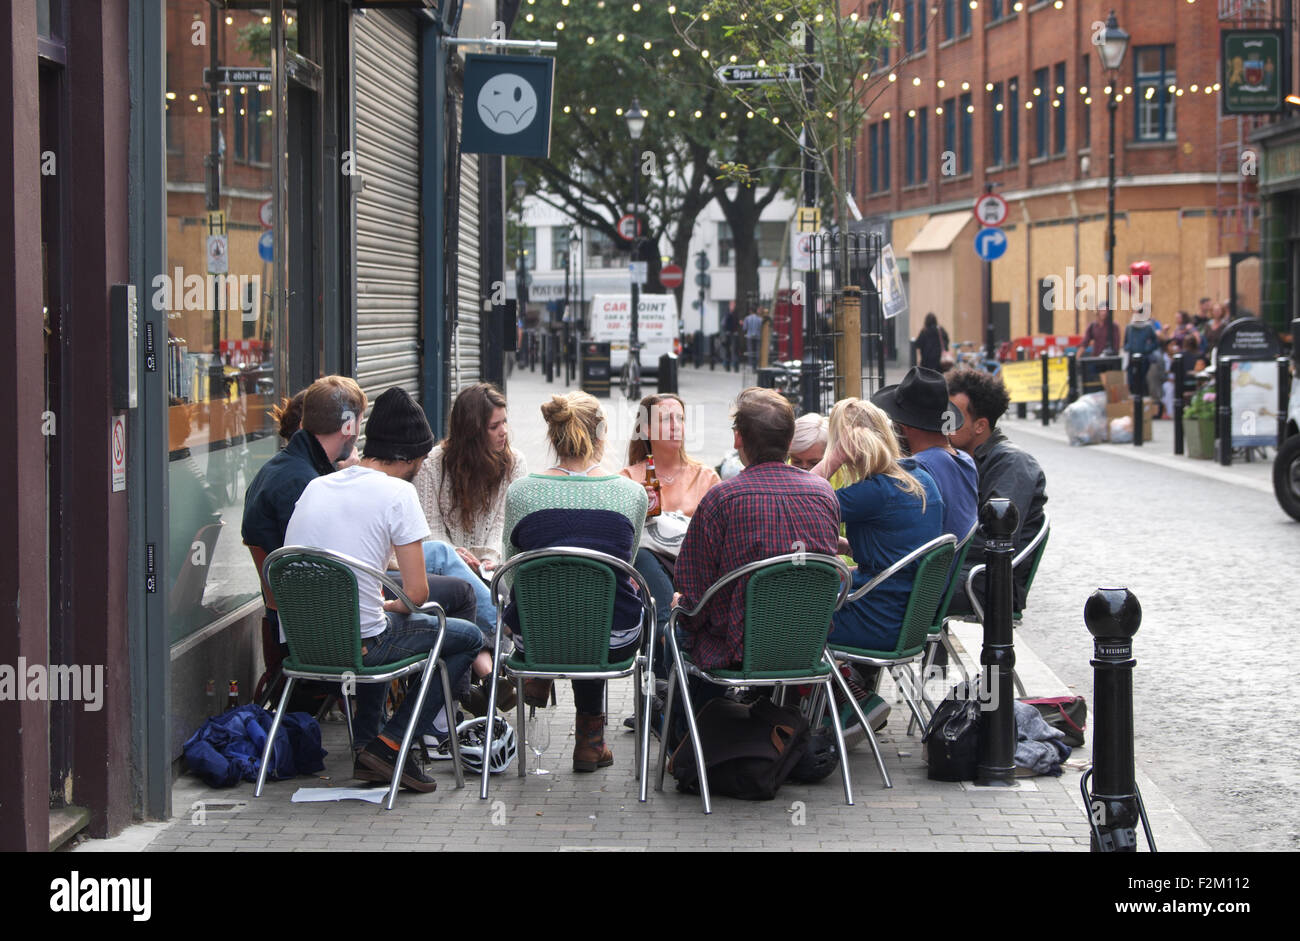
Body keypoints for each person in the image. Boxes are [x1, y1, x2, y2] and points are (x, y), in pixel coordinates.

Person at [284, 387, 487, 792]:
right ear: (410, 457)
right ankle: (393, 742)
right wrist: (394, 604)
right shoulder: (399, 493)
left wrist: (380, 603)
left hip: (305, 644)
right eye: (422, 459)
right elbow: (416, 594)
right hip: (361, 644)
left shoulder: (318, 485)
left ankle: (366, 746)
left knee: (376, 617)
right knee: (467, 637)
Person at [500, 391, 648, 772]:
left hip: (536, 635)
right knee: (599, 607)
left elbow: (510, 569)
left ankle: (542, 673)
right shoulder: (631, 494)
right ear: (602, 436)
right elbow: (625, 568)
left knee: (567, 613)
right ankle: (589, 740)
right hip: (611, 640)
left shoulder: (521, 492)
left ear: (552, 436)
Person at [673, 388, 840, 721]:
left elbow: (693, 596)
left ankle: (686, 740)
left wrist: (681, 607)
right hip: (805, 644)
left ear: (738, 439)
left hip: (736, 649)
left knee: (679, 624)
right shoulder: (824, 494)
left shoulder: (722, 499)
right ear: (789, 440)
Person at [811, 398, 944, 730]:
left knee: (789, 617)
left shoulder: (874, 491)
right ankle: (842, 700)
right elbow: (895, 548)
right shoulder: (920, 478)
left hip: (877, 619)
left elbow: (803, 499)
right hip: (906, 616)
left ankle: (850, 702)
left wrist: (833, 459)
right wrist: (845, 547)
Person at [413, 382, 527, 633]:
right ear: (472, 431)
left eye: (505, 422)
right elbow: (430, 528)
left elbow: (505, 523)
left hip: (492, 565)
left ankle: (490, 657)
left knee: (508, 587)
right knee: (460, 592)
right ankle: (499, 643)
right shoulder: (433, 464)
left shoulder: (514, 462)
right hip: (452, 566)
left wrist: (488, 557)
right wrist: (459, 557)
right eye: (494, 426)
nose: (504, 432)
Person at [944, 367, 1048, 615]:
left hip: (988, 581)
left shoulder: (1012, 463)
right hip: (966, 571)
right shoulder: (958, 459)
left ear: (980, 426)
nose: (944, 424)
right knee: (901, 583)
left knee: (904, 589)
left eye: (952, 418)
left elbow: (996, 538)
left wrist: (934, 547)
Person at [871, 367, 977, 543]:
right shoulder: (966, 461)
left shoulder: (917, 468)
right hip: (957, 560)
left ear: (905, 426)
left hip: (930, 567)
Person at [1123, 306, 1164, 402]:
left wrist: (1147, 349)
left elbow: (1155, 342)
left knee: (1143, 381)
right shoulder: (1129, 327)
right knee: (1132, 381)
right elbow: (1125, 342)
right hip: (1131, 358)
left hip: (1144, 359)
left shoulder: (1148, 327)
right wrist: (1128, 347)